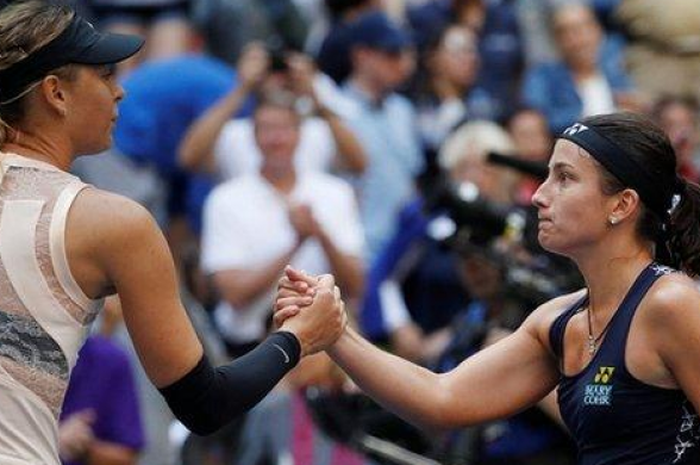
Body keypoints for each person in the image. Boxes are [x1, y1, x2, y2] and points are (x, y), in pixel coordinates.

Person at [0, 3, 344, 464]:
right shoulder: (112, 223)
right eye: (104, 75)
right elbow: (204, 405)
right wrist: (298, 338)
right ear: (55, 94)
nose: (120, 92)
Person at [277, 111, 700, 464]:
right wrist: (337, 333)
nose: (538, 196)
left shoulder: (671, 304)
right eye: (547, 176)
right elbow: (442, 398)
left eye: (565, 178)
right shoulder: (558, 321)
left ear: (622, 205)